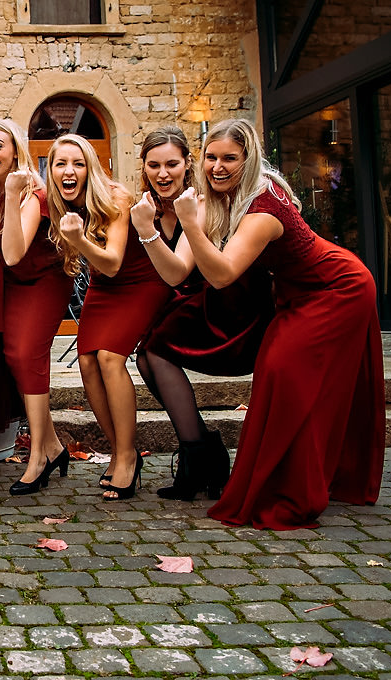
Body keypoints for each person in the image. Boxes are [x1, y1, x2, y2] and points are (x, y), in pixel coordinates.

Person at [174, 119, 384, 530]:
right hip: (298, 295)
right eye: (211, 157)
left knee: (288, 376)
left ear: (247, 159)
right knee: (276, 374)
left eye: (229, 158)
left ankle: (294, 490)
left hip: (338, 288)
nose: (217, 166)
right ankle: (291, 477)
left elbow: (221, 274)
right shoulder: (233, 196)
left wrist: (188, 223)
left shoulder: (262, 208)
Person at [130, 125, 273, 501]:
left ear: (186, 164)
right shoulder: (149, 201)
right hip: (198, 299)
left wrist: (146, 231)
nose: (163, 173)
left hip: (235, 302)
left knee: (155, 351)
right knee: (146, 355)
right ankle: (203, 451)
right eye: (155, 165)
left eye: (172, 164)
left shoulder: (202, 201)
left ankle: (201, 453)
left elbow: (180, 271)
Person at [47, 133, 171, 501]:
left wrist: (79, 239)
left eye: (78, 163)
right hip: (104, 288)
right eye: (60, 164)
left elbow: (114, 263)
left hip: (141, 281)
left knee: (109, 358)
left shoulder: (115, 197)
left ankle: (128, 457)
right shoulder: (60, 203)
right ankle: (121, 451)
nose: (69, 171)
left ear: (91, 168)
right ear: (51, 170)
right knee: (86, 362)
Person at [0, 118, 74, 495]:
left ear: (15, 151)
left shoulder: (32, 190)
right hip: (11, 283)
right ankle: (54, 445)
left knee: (27, 353)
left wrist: (12, 196)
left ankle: (39, 456)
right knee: (13, 355)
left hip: (44, 278)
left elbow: (13, 252)